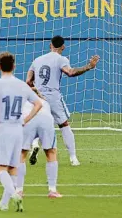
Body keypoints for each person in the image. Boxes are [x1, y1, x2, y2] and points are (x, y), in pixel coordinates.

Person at [26, 35, 100, 166]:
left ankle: (34, 143)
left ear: (50, 45)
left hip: (38, 97)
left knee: (39, 124)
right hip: (53, 96)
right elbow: (70, 72)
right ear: (63, 47)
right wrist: (89, 66)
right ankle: (73, 158)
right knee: (64, 125)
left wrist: (36, 91)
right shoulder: (61, 59)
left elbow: (28, 81)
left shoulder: (37, 60)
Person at [0, 52, 42, 212]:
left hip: (2, 128)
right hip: (18, 129)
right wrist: (25, 120)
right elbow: (38, 104)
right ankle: (4, 204)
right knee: (13, 168)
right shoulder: (22, 85)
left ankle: (15, 194)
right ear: (14, 66)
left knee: (0, 168)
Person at [16, 88, 62, 199]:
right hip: (45, 120)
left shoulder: (21, 102)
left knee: (21, 154)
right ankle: (52, 190)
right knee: (50, 153)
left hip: (27, 120)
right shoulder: (45, 102)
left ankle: (18, 191)